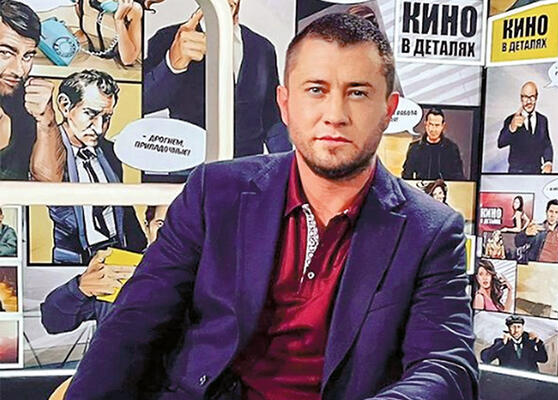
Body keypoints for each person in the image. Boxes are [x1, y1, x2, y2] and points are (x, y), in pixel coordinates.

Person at [65, 14, 478, 400]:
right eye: (316, 90)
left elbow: (446, 366)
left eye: (357, 92)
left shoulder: (431, 230)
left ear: (388, 110)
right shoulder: (214, 192)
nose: (334, 114)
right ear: (284, 104)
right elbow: (135, 320)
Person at [143, 0, 292, 164]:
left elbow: (272, 117)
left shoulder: (262, 48)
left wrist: (287, 167)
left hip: (246, 171)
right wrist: (173, 65)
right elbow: (143, 102)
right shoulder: (169, 38)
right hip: (189, 170)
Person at [28, 69, 147, 264]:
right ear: (65, 106)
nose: (99, 128)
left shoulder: (109, 151)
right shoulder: (49, 149)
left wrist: (141, 252)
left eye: (106, 118)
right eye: (91, 114)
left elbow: (124, 209)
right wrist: (46, 121)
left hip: (118, 253)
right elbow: (47, 176)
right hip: (73, 261)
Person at [40, 205, 168, 334]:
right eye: (161, 224)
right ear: (147, 227)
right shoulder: (118, 267)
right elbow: (53, 322)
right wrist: (79, 289)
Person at [0, 1, 55, 180]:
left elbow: (50, 182)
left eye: (27, 56)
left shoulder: (26, 104)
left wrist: (47, 122)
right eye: (5, 53)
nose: (19, 70)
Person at [497, 81, 553, 174]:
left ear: (536, 97)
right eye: (525, 97)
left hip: (537, 173)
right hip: (516, 174)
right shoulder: (511, 119)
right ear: (521, 98)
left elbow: (546, 144)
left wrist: (548, 162)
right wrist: (512, 128)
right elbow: (500, 143)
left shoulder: (543, 120)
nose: (529, 101)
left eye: (532, 97)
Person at [402, 108, 465, 180]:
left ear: (442, 126)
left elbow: (458, 176)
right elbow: (406, 176)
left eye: (437, 125)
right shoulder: (415, 148)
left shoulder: (451, 149)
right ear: (426, 124)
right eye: (431, 124)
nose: (433, 129)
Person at [515, 199, 558, 264]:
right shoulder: (536, 228)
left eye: (556, 212)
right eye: (551, 211)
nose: (553, 215)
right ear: (546, 212)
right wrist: (525, 233)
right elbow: (517, 242)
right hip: (536, 267)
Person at [481, 315, 548, 372]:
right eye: (513, 327)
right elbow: (485, 358)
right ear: (508, 328)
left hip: (530, 380)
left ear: (522, 328)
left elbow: (543, 359)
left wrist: (538, 343)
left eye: (519, 327)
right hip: (509, 379)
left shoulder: (529, 342)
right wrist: (502, 343)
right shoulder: (501, 344)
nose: (516, 330)